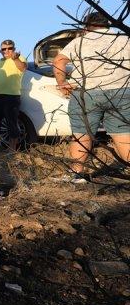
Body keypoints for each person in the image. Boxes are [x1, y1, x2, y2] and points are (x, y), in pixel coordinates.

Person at [53, 13, 130, 183]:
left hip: (87, 92)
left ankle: (77, 174)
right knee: (123, 134)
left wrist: (62, 82)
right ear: (107, 24)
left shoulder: (81, 41)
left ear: (87, 25)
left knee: (82, 134)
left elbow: (59, 61)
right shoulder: (124, 39)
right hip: (122, 92)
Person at [0, 39, 26, 151]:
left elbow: (23, 68)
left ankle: (12, 148)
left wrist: (16, 58)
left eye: (10, 48)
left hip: (12, 96)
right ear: (0, 50)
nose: (7, 51)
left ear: (14, 49)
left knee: (11, 122)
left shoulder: (19, 58)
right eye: (4, 49)